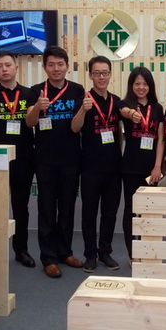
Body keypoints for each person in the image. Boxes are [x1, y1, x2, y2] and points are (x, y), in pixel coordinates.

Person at [25, 46, 85, 278]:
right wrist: (37, 108)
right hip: (45, 159)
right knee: (47, 208)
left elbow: (77, 125)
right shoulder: (36, 91)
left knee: (67, 208)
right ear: (45, 67)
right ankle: (48, 257)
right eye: (51, 64)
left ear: (67, 66)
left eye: (60, 64)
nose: (56, 68)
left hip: (71, 158)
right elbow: (30, 123)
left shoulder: (77, 90)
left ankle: (65, 252)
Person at [0, 51, 37, 268]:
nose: (4, 69)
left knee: (21, 206)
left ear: (16, 67)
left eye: (8, 65)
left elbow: (32, 118)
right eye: (0, 66)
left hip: (23, 157)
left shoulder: (29, 93)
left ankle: (21, 250)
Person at [71, 55, 122, 273]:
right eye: (97, 73)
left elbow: (122, 127)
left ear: (110, 75)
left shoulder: (117, 101)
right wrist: (83, 109)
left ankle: (105, 252)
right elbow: (74, 128)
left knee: (110, 213)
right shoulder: (84, 99)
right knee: (89, 213)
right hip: (90, 167)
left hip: (113, 167)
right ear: (90, 75)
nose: (101, 77)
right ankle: (90, 254)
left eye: (105, 73)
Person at [119, 66, 164, 259]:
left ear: (150, 86)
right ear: (131, 85)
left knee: (149, 211)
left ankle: (147, 250)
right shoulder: (125, 104)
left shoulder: (157, 108)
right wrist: (132, 114)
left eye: (145, 84)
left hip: (150, 169)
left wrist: (157, 167)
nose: (141, 87)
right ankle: (132, 253)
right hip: (130, 167)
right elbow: (124, 111)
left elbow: (160, 140)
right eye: (137, 84)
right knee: (130, 211)